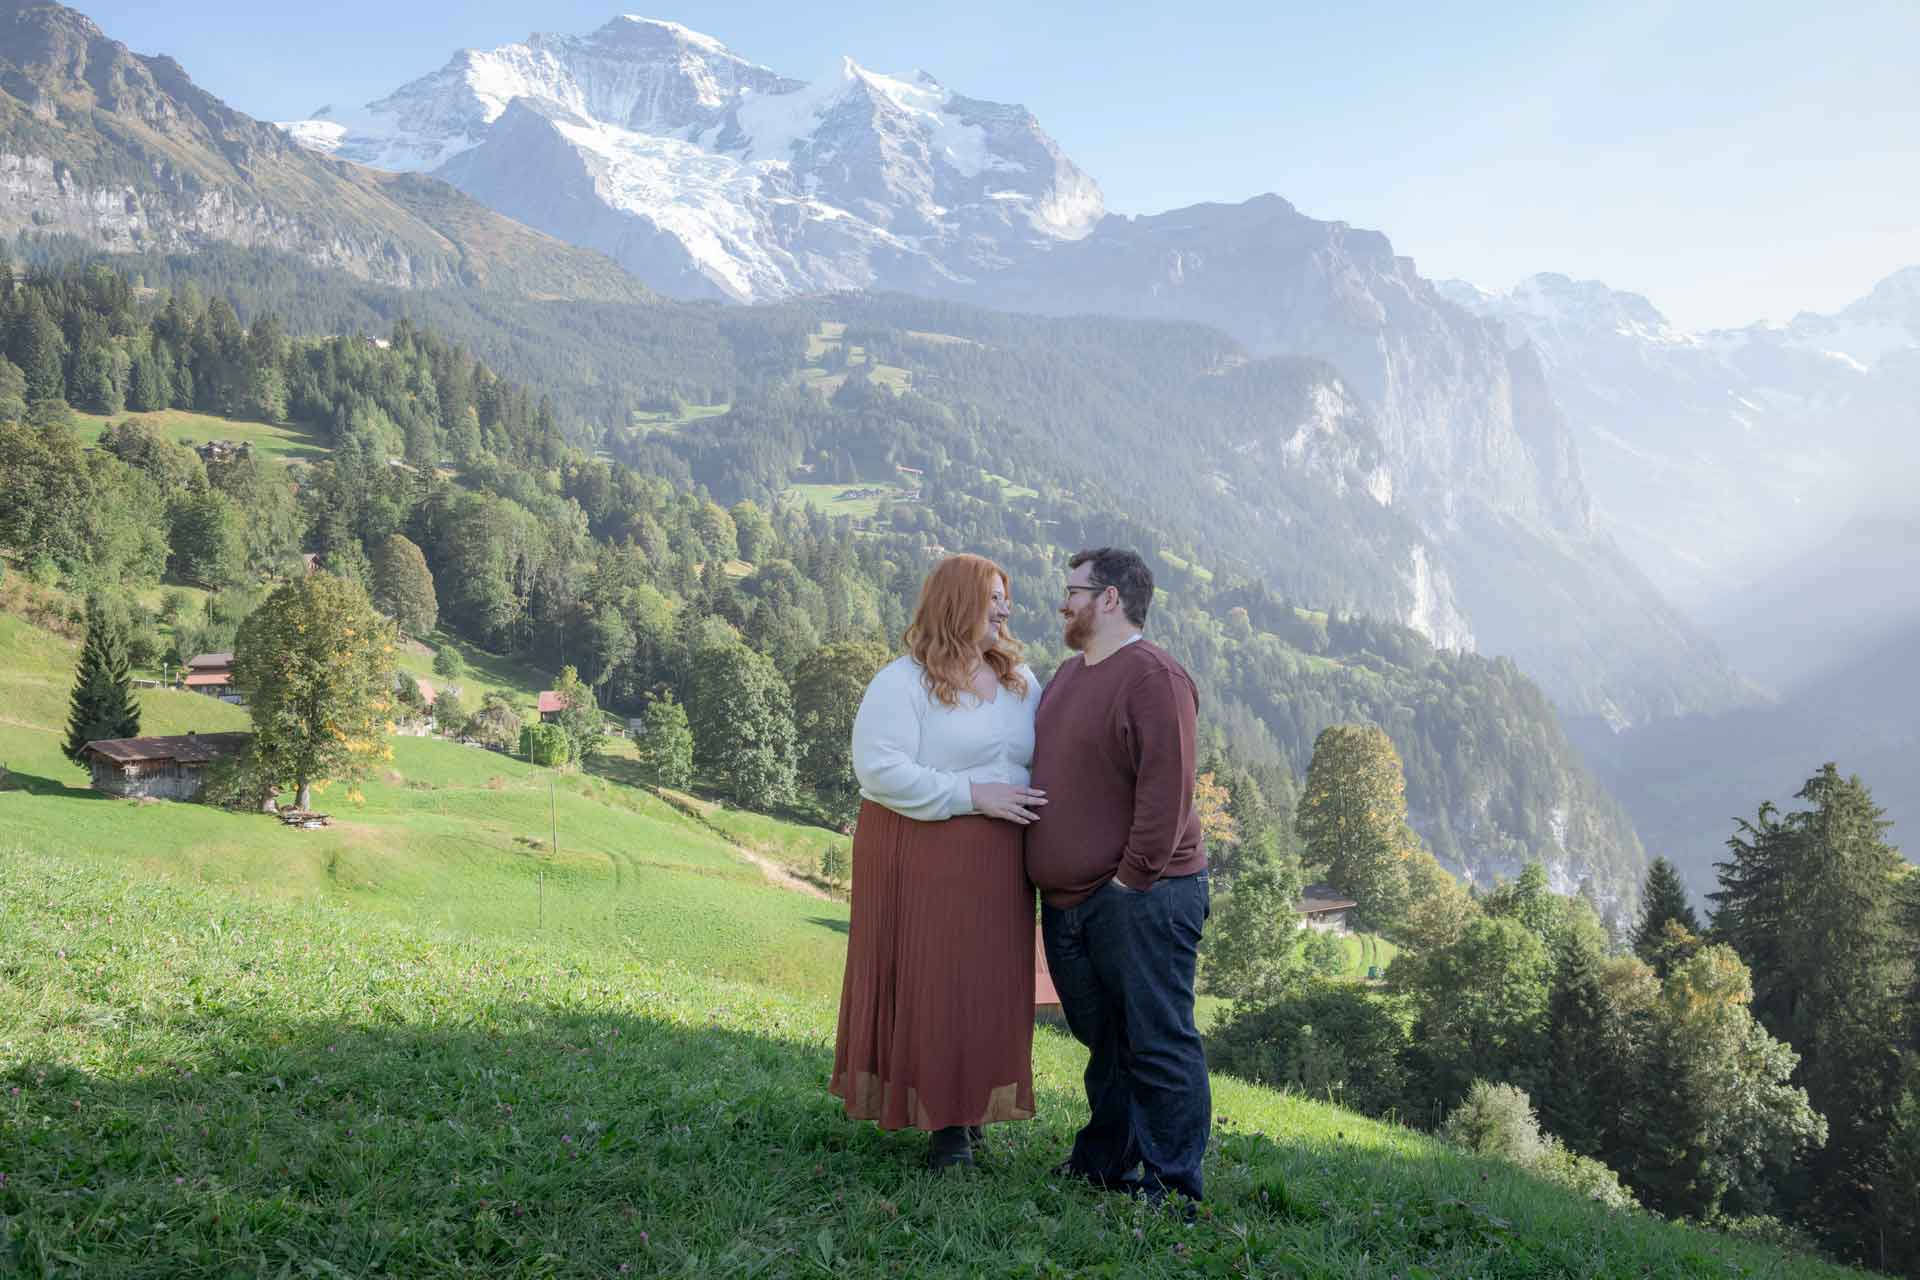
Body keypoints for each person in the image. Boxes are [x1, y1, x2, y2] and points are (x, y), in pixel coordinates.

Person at [830, 553, 1048, 1171]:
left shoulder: (1020, 681)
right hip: (924, 848)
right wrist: (972, 795)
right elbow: (879, 770)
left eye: (1008, 597)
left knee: (990, 985)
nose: (1006, 608)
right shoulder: (902, 682)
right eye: (993, 597)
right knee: (939, 982)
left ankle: (972, 1109)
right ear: (957, 603)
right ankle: (946, 1125)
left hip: (1002, 859)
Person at [1026, 546, 1211, 1207]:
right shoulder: (1069, 675)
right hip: (1072, 900)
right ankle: (1104, 1164)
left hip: (1143, 897)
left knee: (1158, 1041)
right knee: (1106, 1044)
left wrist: (1130, 884)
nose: (1063, 602)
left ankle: (1173, 1186)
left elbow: (1169, 792)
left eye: (1073, 590)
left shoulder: (1153, 678)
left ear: (1109, 599)